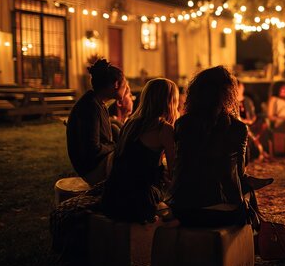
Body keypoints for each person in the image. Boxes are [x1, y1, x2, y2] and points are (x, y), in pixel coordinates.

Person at [169, 66, 265, 228]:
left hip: (182, 210)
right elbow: (239, 173)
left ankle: (262, 228)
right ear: (229, 95)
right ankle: (264, 232)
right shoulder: (238, 128)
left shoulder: (182, 124)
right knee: (248, 193)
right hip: (222, 214)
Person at [101, 78, 179, 222]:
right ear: (170, 101)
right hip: (138, 202)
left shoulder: (131, 123)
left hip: (112, 197)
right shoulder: (164, 128)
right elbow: (175, 170)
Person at [66, 59, 127, 186]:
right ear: (116, 84)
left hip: (99, 162)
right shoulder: (90, 107)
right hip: (92, 170)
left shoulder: (98, 103)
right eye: (125, 84)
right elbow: (92, 150)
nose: (126, 88)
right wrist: (116, 146)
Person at [237, 81, 270, 162]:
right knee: (245, 128)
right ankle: (261, 151)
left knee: (263, 124)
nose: (240, 89)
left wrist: (251, 120)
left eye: (241, 87)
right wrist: (244, 121)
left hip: (250, 123)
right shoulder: (233, 101)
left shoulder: (247, 100)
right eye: (238, 88)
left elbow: (253, 114)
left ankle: (261, 150)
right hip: (240, 123)